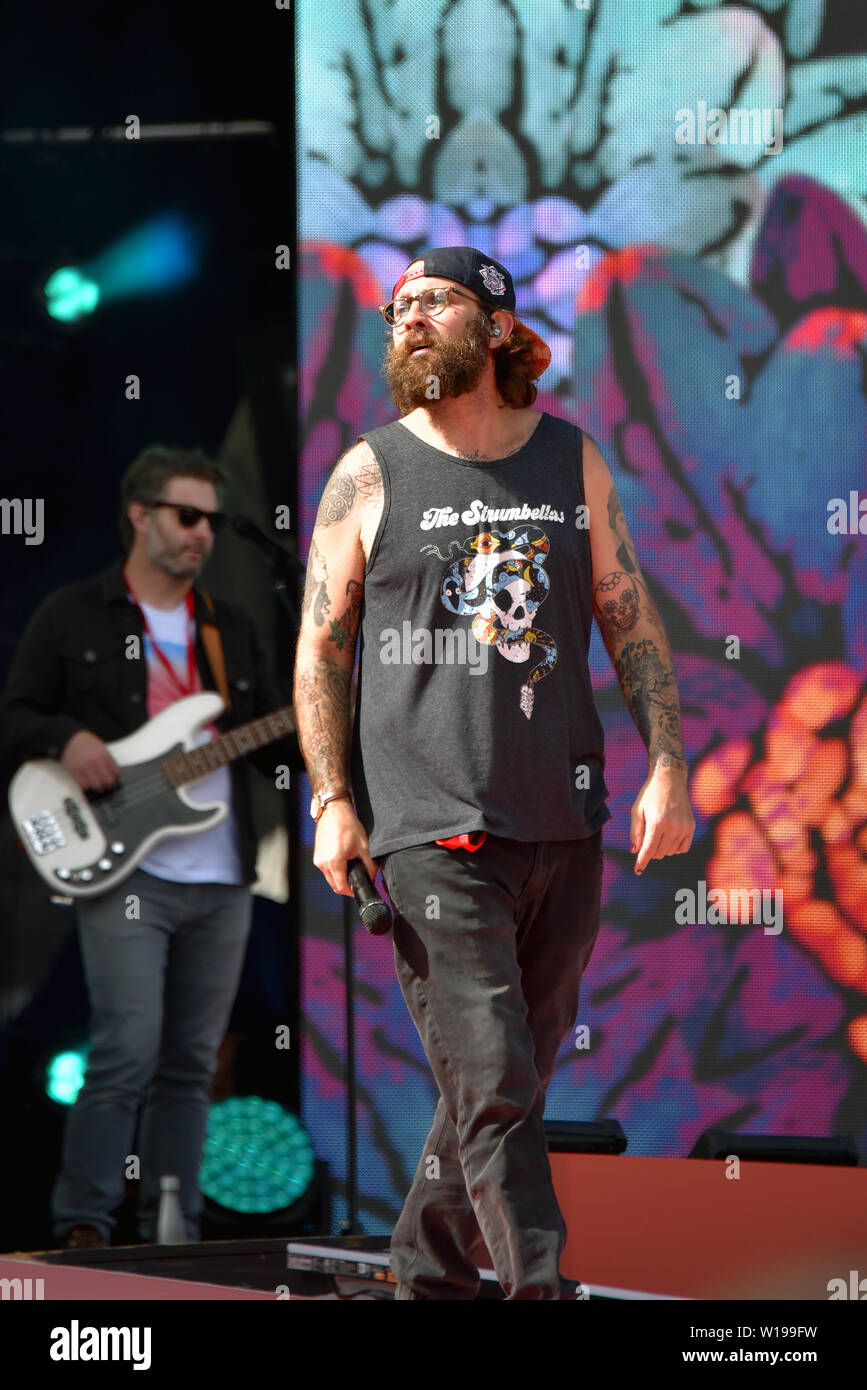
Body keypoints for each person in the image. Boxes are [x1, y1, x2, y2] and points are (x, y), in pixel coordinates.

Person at [293, 247, 696, 1300]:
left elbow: (630, 619)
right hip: (430, 827)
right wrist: (334, 801)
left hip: (563, 822)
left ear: (500, 330)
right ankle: (539, 1290)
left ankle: (426, 1273)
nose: (408, 318)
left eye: (437, 301)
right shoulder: (370, 473)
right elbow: (320, 653)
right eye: (398, 307)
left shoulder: (572, 462)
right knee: (498, 1077)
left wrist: (668, 765)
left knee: (500, 1082)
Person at [0, 445, 300, 1249]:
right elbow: (16, 714)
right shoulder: (73, 613)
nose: (203, 533)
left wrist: (324, 723)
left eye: (210, 519)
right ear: (140, 515)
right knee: (125, 1047)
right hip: (124, 868)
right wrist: (67, 739)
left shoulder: (227, 627)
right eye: (187, 515)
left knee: (193, 1064)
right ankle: (86, 1225)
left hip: (222, 872)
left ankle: (172, 1229)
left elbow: (274, 742)